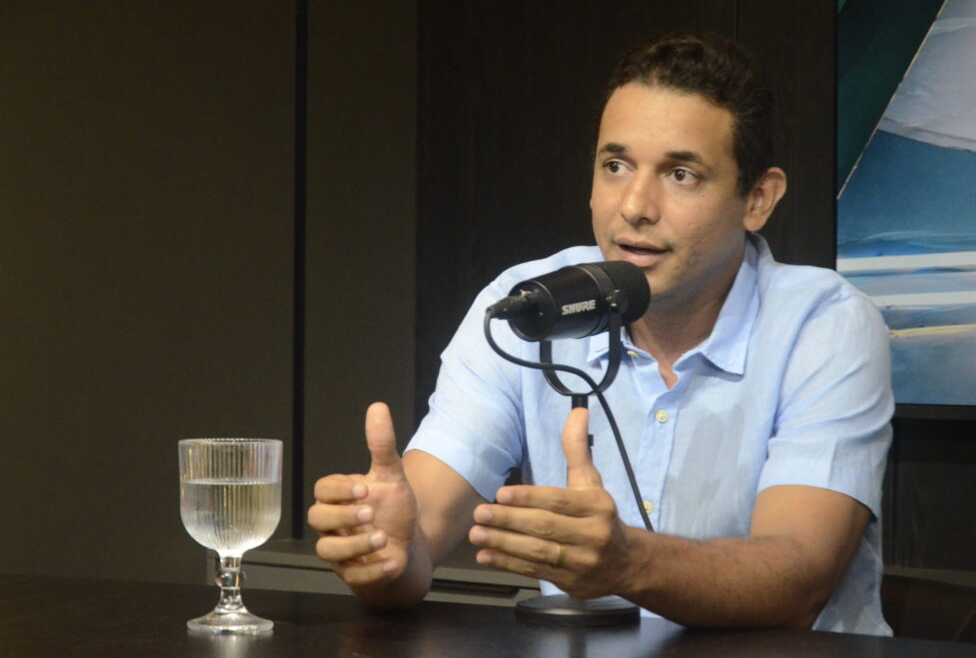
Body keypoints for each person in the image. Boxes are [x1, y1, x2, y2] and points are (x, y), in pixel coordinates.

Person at [308, 31, 893, 634]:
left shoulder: (825, 325)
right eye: (616, 166)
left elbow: (798, 578)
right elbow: (415, 542)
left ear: (758, 199)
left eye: (681, 174)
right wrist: (384, 552)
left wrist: (630, 562)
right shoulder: (525, 306)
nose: (634, 206)